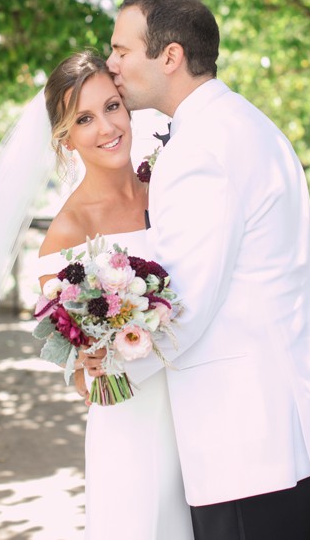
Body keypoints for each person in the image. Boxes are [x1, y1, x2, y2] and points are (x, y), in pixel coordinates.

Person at [104, 0, 310, 540]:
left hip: (248, 438)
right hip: (295, 422)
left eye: (121, 50)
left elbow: (184, 303)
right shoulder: (248, 123)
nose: (111, 64)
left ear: (169, 56)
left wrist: (109, 378)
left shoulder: (200, 149)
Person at [36, 50, 194, 539]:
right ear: (66, 139)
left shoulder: (171, 187)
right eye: (85, 118)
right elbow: (79, 366)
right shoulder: (69, 232)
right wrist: (89, 363)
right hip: (133, 428)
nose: (107, 127)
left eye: (111, 107)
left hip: (202, 409)